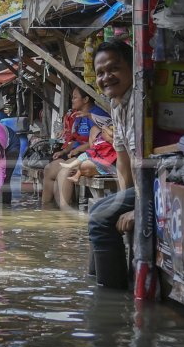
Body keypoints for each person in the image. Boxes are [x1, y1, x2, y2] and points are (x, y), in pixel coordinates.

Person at [87, 39, 136, 289]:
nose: (106, 77)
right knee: (98, 211)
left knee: (100, 218)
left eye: (113, 69)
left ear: (132, 68)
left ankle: (111, 294)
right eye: (100, 73)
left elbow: (152, 167)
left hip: (160, 187)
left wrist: (140, 208)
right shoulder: (117, 105)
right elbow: (124, 160)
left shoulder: (141, 103)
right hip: (142, 190)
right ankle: (95, 283)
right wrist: (123, 200)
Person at [41, 86, 106, 207]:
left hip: (90, 155)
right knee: (49, 169)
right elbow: (74, 138)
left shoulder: (97, 115)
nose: (72, 100)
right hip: (75, 154)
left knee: (64, 172)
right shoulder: (77, 116)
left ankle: (65, 216)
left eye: (75, 97)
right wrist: (64, 151)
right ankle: (46, 210)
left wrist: (78, 149)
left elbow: (100, 142)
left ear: (86, 99)